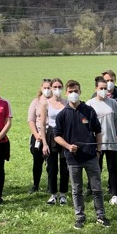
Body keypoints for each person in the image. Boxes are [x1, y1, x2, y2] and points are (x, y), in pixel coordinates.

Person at [54, 80, 110, 229]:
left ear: (80, 92)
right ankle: (80, 217)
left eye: (76, 91)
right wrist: (68, 146)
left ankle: (101, 216)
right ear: (66, 93)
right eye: (71, 91)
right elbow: (56, 136)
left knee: (97, 188)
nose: (73, 94)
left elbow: (98, 131)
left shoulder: (89, 111)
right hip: (73, 159)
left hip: (91, 157)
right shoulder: (62, 115)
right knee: (76, 190)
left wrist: (98, 150)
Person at [87, 76, 117, 205]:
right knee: (96, 169)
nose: (104, 90)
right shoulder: (90, 104)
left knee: (112, 168)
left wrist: (113, 133)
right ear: (96, 88)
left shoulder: (113, 103)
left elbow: (116, 120)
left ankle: (114, 193)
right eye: (101, 88)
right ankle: (96, 192)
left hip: (110, 141)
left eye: (105, 88)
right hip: (96, 143)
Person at [39, 78, 69, 206]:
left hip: (64, 135)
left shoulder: (67, 102)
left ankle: (63, 194)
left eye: (59, 86)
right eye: (55, 87)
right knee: (52, 167)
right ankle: (53, 194)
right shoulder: (45, 103)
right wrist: (44, 143)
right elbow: (42, 124)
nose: (57, 89)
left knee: (64, 167)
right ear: (51, 88)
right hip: (51, 134)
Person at [27, 79, 53, 194]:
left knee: (51, 162)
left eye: (49, 88)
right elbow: (31, 120)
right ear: (41, 88)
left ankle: (50, 185)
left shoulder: (55, 101)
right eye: (45, 88)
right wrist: (36, 134)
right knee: (37, 161)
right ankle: (35, 185)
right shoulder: (36, 102)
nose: (47, 90)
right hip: (37, 135)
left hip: (51, 134)